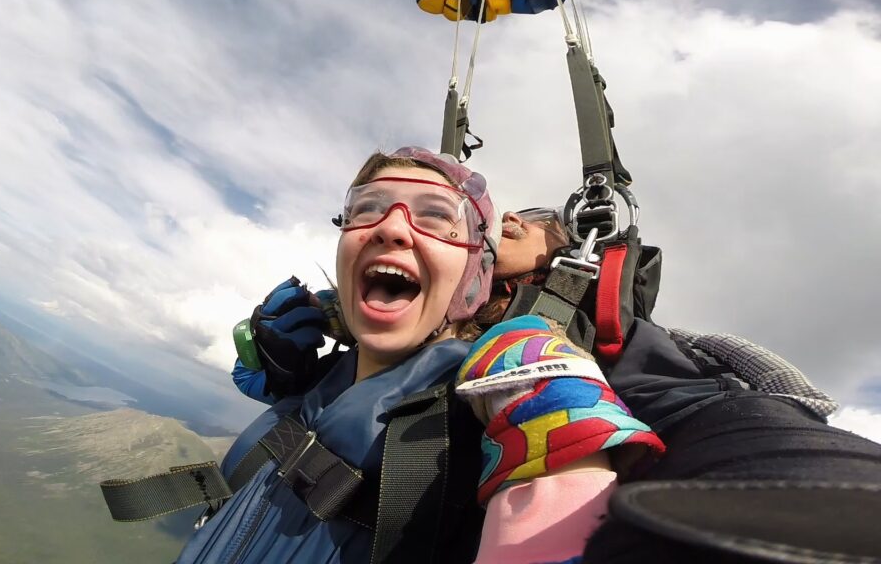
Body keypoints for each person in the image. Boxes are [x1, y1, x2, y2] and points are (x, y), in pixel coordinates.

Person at [232, 203, 881, 562]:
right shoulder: (411, 311)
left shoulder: (563, 346)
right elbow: (324, 402)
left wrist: (810, 488)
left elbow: (685, 406)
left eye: (524, 225)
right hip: (235, 534)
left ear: (565, 259)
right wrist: (278, 361)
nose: (505, 220)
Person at [179, 147, 663, 564]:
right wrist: (273, 361)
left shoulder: (501, 375)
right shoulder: (321, 374)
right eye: (367, 208)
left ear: (476, 274)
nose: (391, 228)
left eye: (435, 214)